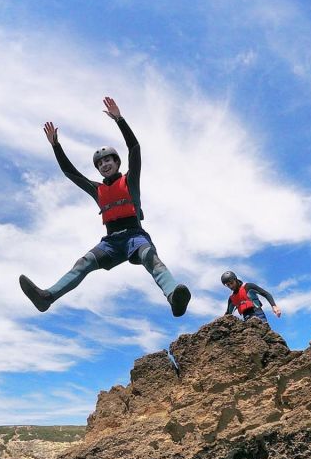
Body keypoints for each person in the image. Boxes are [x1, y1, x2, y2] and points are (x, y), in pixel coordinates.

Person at [19, 96, 191, 317]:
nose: (104, 164)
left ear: (117, 162)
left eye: (108, 160)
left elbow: (135, 148)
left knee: (150, 257)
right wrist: (56, 145)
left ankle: (174, 297)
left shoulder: (129, 180)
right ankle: (46, 298)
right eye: (100, 163)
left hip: (134, 236)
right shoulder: (97, 189)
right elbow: (70, 173)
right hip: (111, 243)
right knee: (83, 263)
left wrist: (119, 119)